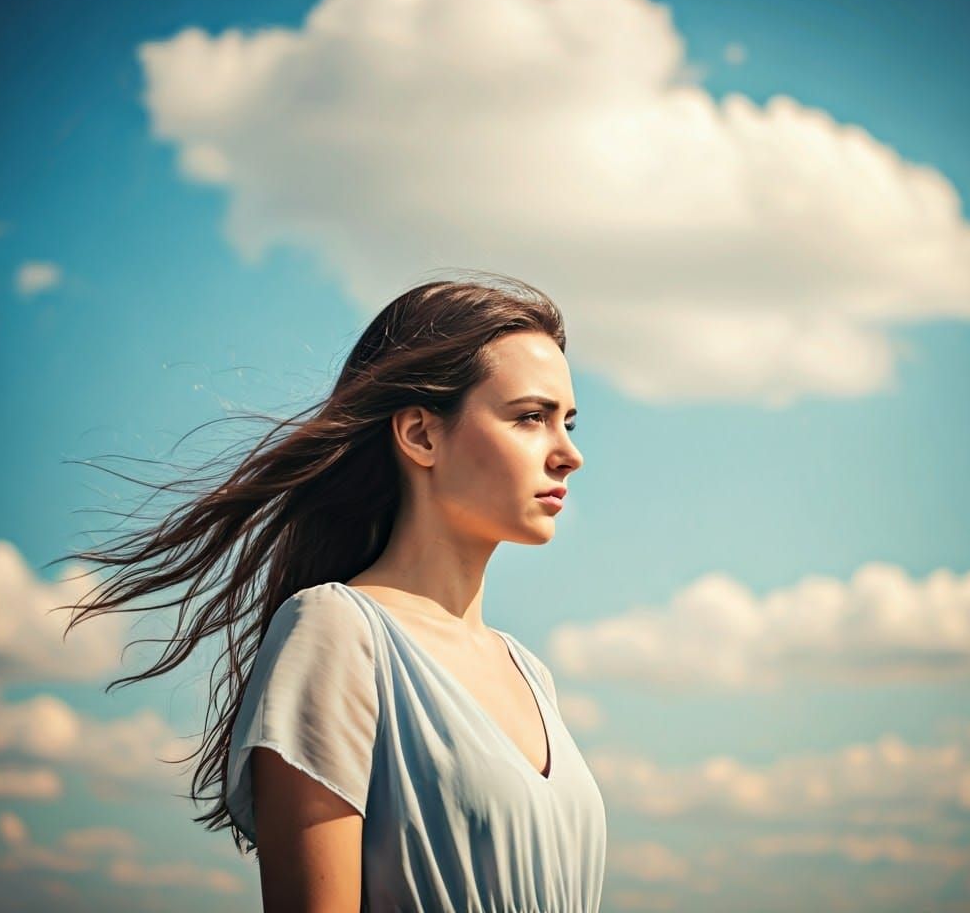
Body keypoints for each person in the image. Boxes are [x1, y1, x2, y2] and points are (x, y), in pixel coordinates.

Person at [54, 271, 607, 912]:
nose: (569, 454)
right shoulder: (337, 632)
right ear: (421, 435)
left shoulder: (530, 672)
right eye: (530, 418)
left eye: (567, 422)